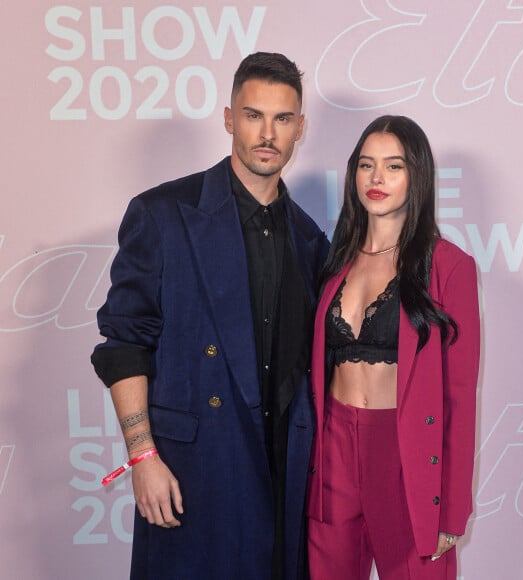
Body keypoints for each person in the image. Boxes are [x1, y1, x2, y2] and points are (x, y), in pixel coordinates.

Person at [91, 52, 329, 580]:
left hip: (282, 481)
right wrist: (142, 458)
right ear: (228, 119)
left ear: (299, 130)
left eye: (283, 119)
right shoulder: (163, 214)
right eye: (253, 115)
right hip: (190, 475)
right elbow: (125, 343)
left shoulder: (310, 240)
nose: (267, 133)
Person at [306, 115, 480, 579]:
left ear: (416, 176)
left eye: (393, 166)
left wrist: (452, 509)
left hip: (405, 460)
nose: (377, 178)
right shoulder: (332, 259)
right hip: (333, 458)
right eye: (366, 165)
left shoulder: (450, 267)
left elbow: (459, 397)